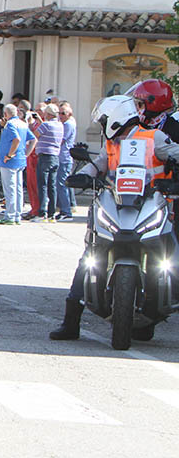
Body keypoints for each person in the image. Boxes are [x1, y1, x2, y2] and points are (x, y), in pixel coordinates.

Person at [49, 95, 179, 340]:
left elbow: (175, 152)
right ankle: (71, 321)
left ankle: (160, 305)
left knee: (172, 256)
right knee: (90, 257)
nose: (102, 126)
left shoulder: (154, 137)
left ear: (115, 119)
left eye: (104, 121)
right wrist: (83, 176)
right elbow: (98, 165)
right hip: (116, 205)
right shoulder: (112, 144)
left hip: (151, 204)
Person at [0, 104, 35, 225]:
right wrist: (26, 154)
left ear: (6, 114)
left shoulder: (10, 124)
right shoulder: (23, 124)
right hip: (20, 160)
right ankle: (17, 215)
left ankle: (10, 216)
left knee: (10, 188)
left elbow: (16, 139)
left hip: (10, 161)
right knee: (18, 189)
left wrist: (10, 154)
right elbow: (33, 139)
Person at [30, 103, 64, 221]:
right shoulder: (60, 125)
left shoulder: (46, 125)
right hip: (55, 157)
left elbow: (35, 135)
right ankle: (51, 214)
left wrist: (33, 123)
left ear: (47, 114)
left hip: (44, 157)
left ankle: (42, 213)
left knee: (42, 185)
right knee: (52, 186)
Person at [55, 101, 76, 220]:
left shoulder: (68, 124)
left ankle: (66, 211)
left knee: (62, 184)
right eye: (59, 113)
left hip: (64, 158)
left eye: (63, 113)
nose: (60, 115)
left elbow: (60, 140)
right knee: (61, 184)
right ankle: (65, 208)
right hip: (62, 157)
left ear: (69, 114)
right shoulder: (64, 123)